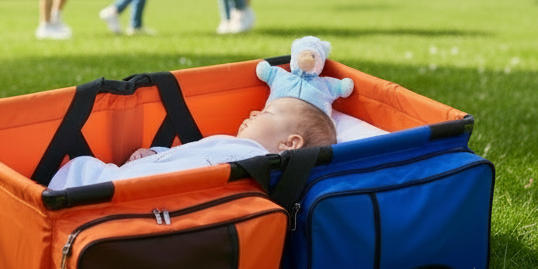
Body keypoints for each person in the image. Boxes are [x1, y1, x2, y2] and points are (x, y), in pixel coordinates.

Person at [48, 96, 337, 189]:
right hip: (143, 178)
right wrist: (154, 154)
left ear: (290, 143)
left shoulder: (256, 163)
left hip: (153, 192)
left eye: (265, 113)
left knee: (85, 169)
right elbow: (190, 153)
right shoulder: (232, 145)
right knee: (93, 172)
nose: (252, 113)